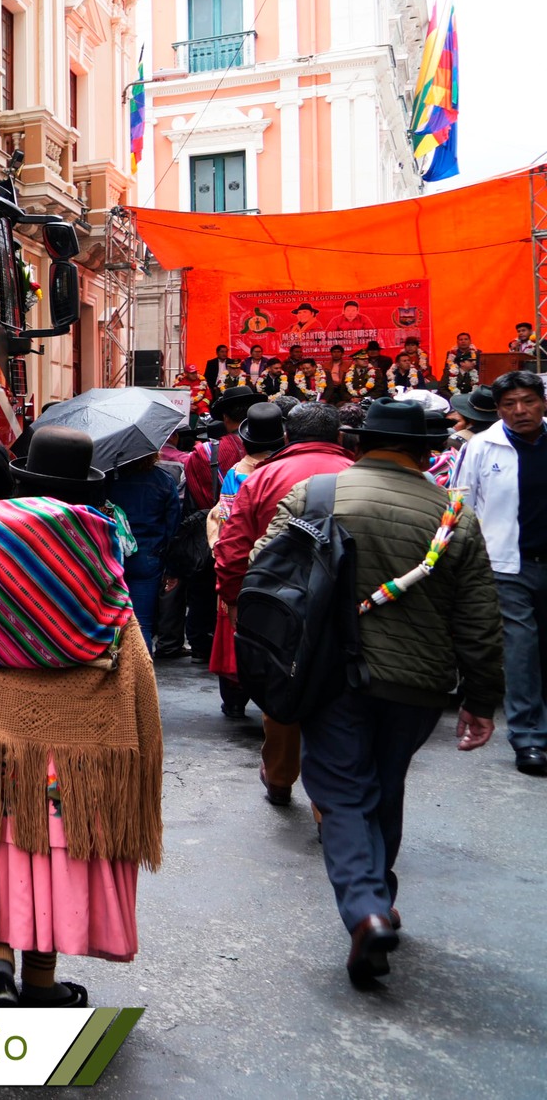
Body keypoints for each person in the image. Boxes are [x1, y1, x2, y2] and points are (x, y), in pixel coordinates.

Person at [0, 427, 163, 1007]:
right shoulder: (100, 554)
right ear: (86, 489)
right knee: (49, 860)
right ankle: (42, 986)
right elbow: (133, 653)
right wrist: (141, 737)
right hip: (71, 745)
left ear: (24, 481)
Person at [255, 400, 503, 985]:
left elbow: (265, 570)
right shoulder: (454, 515)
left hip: (330, 675)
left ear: (359, 443)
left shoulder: (315, 496)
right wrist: (481, 698)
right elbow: (479, 619)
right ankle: (380, 900)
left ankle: (366, 909)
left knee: (343, 794)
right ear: (424, 452)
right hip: (419, 683)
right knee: (385, 787)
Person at [212, 403, 353, 803]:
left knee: (284, 685)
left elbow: (234, 546)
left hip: (278, 602)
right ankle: (327, 804)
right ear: (338, 437)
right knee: (336, 697)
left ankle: (279, 776)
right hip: (348, 602)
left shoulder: (263, 476)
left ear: (288, 437)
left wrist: (232, 596)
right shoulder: (357, 475)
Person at [450, 370, 547, 775]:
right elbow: (460, 505)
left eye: (528, 401)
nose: (520, 411)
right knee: (521, 650)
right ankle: (529, 738)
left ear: (543, 402)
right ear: (498, 409)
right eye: (509, 404)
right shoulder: (481, 447)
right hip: (508, 565)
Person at [206, 403, 288, 718]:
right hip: (280, 562)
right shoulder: (284, 471)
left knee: (236, 625)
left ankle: (235, 699)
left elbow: (226, 524)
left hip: (242, 562)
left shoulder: (237, 474)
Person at [176, 387, 257, 659]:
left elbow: (193, 497)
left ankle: (203, 644)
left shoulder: (203, 453)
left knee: (203, 590)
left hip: (213, 532)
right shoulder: (267, 451)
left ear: (225, 417)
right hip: (255, 534)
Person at [110, 451, 183, 640]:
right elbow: (173, 529)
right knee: (142, 625)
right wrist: (172, 570)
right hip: (148, 559)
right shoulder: (164, 481)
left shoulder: (109, 479)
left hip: (113, 556)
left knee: (112, 623)